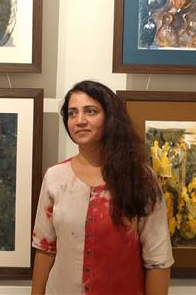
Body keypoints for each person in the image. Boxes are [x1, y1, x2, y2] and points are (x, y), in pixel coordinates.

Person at [31, 80, 173, 295]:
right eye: (72, 113)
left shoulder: (140, 178)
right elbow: (45, 248)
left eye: (90, 111)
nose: (80, 120)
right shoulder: (55, 177)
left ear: (110, 117)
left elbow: (158, 260)